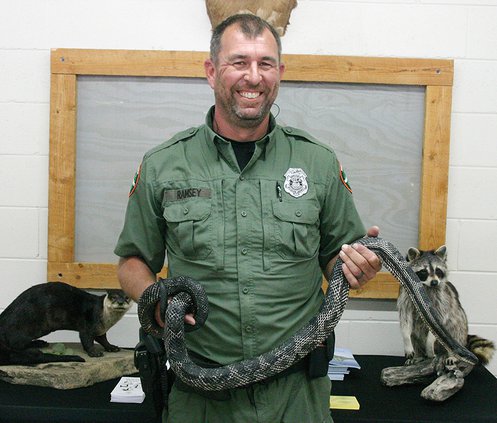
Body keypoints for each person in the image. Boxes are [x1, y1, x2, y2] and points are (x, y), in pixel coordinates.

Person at [115, 13, 382, 423]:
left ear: (279, 73)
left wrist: (356, 268)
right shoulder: (163, 164)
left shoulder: (319, 162)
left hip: (297, 396)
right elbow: (133, 262)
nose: (253, 77)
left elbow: (337, 255)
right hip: (200, 393)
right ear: (211, 71)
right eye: (239, 62)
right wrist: (154, 300)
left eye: (266, 64)